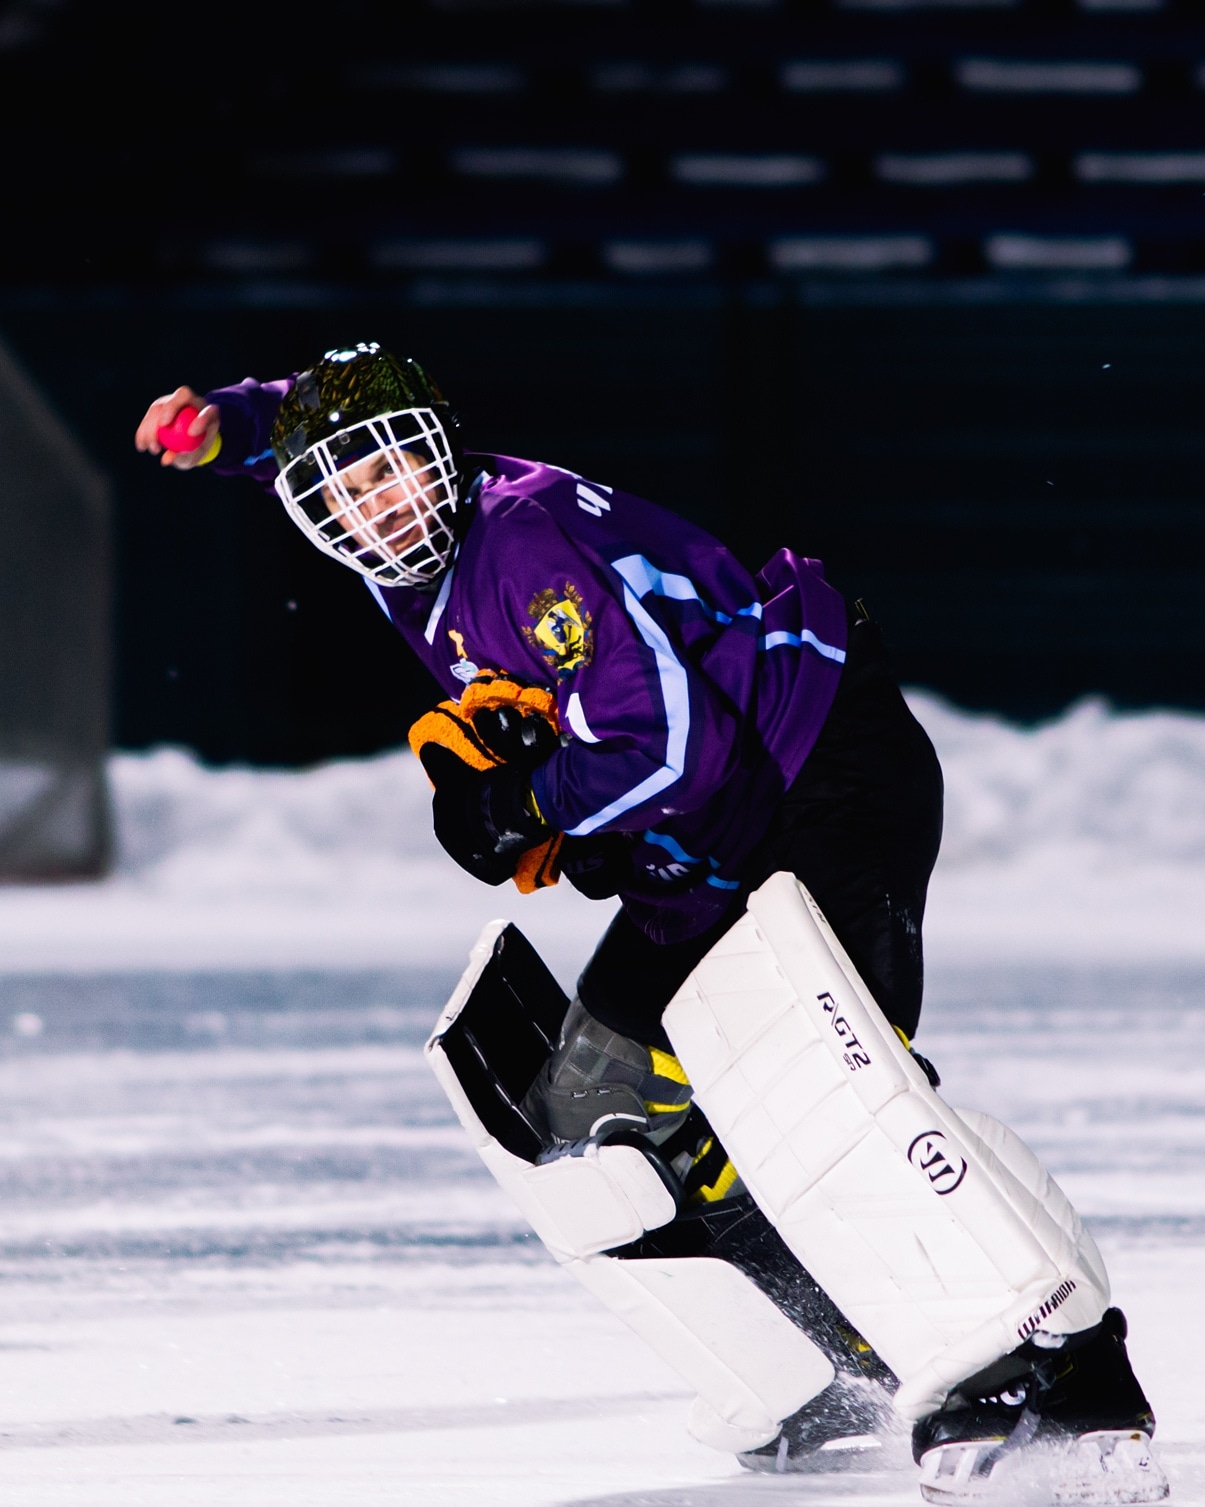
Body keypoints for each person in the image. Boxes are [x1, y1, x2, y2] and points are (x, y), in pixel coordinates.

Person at [136, 342, 1163, 1501]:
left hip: (816, 779)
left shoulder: (517, 547)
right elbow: (306, 424)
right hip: (718, 835)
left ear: (440, 451)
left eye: (395, 470)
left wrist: (519, 805)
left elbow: (674, 749)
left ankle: (1059, 1364)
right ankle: (833, 1357)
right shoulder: (397, 549)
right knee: (600, 1092)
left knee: (822, 1086)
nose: (380, 505)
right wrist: (223, 429)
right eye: (346, 490)